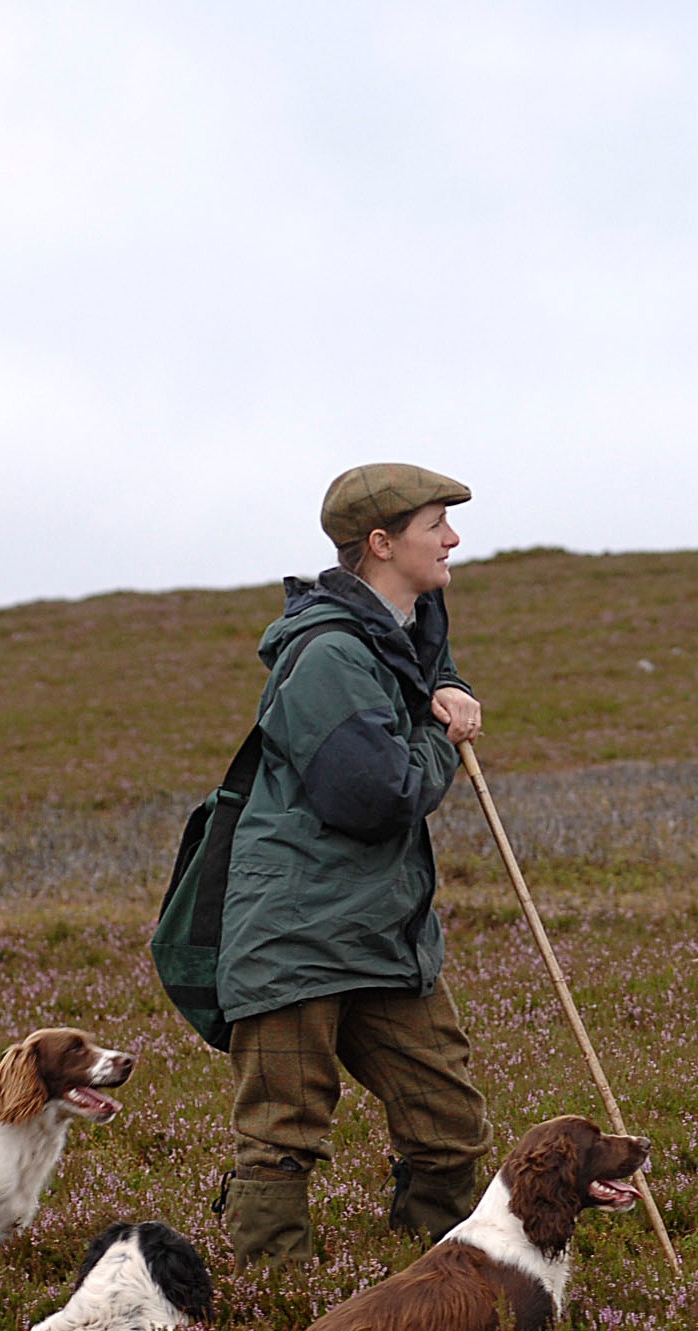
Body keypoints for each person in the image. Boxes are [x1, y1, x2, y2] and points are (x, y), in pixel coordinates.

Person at [212, 461, 493, 1265]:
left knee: (448, 1123)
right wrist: (442, 739)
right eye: (435, 524)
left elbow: (417, 680)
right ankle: (275, 1313)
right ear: (379, 543)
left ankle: (436, 1286)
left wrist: (450, 688)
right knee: (282, 1135)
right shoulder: (329, 654)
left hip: (379, 929)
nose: (453, 537)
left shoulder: (402, 624)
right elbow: (375, 795)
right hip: (294, 931)